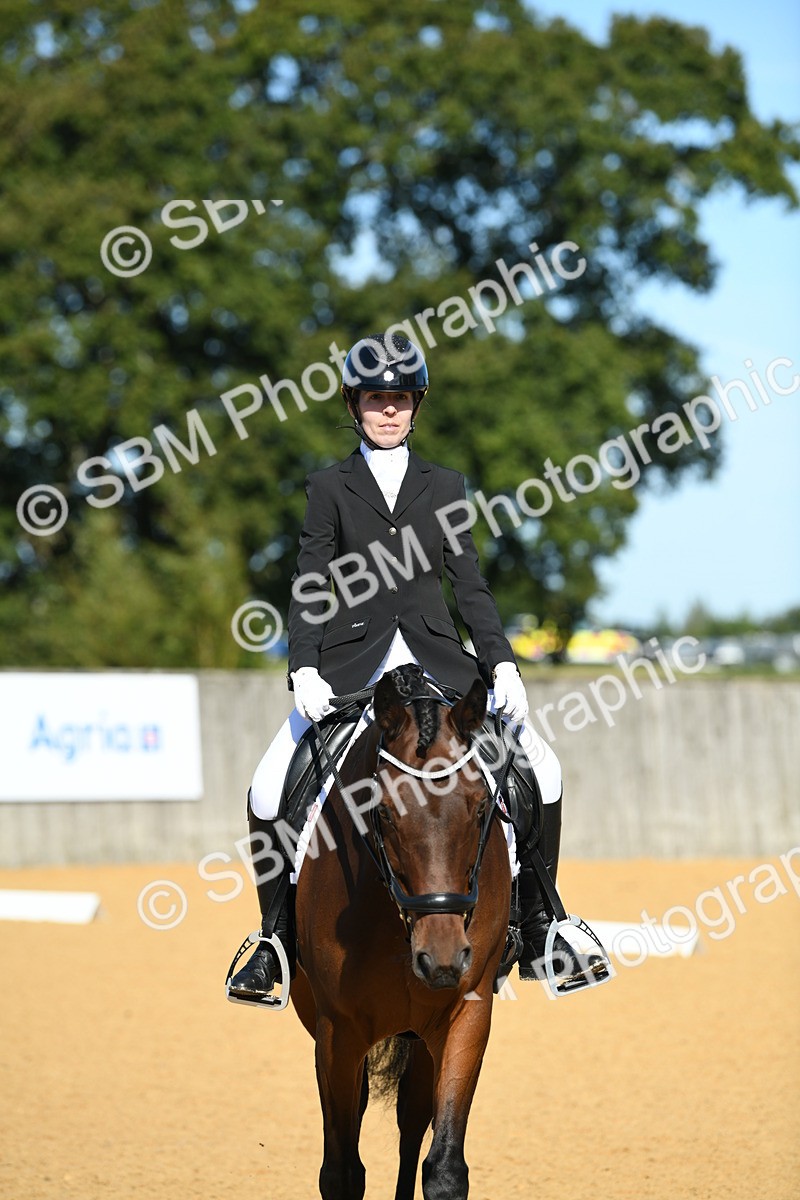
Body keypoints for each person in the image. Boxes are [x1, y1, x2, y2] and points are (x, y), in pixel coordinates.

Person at [227, 333, 605, 1001]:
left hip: (440, 663)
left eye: (400, 399)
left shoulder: (446, 485)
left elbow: (469, 584)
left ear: (415, 407)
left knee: (542, 767)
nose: (389, 411)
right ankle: (275, 940)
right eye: (377, 400)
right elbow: (311, 581)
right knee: (266, 786)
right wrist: (304, 666)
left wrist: (503, 663)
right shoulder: (329, 488)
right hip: (351, 667)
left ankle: (542, 923)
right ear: (354, 406)